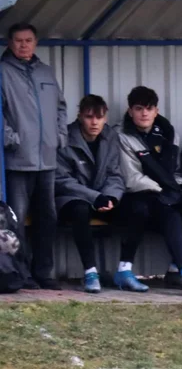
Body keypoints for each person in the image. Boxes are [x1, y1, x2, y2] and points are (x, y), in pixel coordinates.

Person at [116, 86, 182, 297]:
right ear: (130, 111)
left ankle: (181, 270)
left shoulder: (169, 133)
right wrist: (164, 189)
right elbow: (131, 178)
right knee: (155, 210)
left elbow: (176, 171)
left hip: (165, 194)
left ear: (156, 110)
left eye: (149, 108)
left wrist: (179, 187)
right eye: (139, 108)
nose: (144, 113)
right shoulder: (121, 135)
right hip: (134, 194)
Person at [2, 22, 67, 289]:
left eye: (28, 40)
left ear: (36, 42)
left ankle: (44, 272)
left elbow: (61, 107)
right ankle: (21, 273)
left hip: (47, 160)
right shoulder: (3, 71)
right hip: (18, 160)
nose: (23, 45)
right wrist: (9, 138)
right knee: (17, 218)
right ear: (9, 43)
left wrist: (60, 136)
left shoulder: (46, 72)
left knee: (47, 218)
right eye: (18, 40)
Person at [55, 95, 126, 293]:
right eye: (89, 117)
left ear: (105, 118)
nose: (94, 122)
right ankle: (90, 272)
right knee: (80, 210)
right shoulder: (65, 137)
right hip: (70, 198)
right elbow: (61, 181)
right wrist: (95, 197)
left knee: (135, 209)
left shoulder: (110, 136)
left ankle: (125, 270)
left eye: (99, 117)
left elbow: (115, 173)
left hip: (102, 197)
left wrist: (111, 197)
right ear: (79, 117)